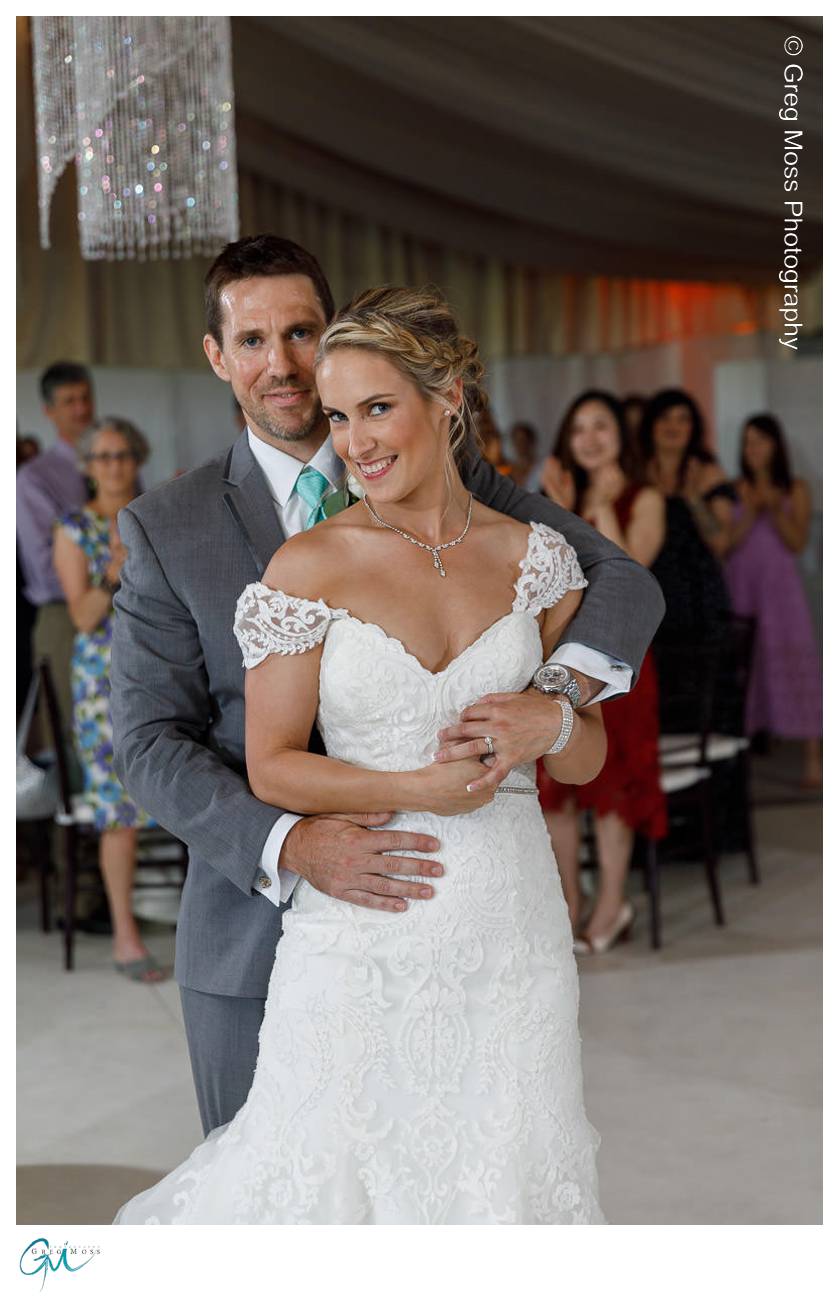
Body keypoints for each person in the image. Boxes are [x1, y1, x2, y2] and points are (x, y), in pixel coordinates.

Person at [109, 234, 663, 1153]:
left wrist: (554, 701)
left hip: (492, 923)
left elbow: (625, 584)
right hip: (261, 927)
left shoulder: (479, 493)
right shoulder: (168, 525)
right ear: (216, 356)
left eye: (300, 333)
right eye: (251, 341)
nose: (280, 365)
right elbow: (148, 742)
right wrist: (292, 843)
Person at [540, 391, 667, 952]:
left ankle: (612, 902)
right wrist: (562, 508)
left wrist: (606, 507)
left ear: (620, 435)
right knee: (554, 788)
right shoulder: (553, 497)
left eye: (602, 426)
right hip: (559, 661)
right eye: (579, 429)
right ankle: (568, 902)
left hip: (623, 662)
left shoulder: (647, 497)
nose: (590, 438)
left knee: (614, 787)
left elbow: (630, 577)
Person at [53, 418, 166, 982]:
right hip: (104, 682)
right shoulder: (75, 529)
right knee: (116, 809)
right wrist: (115, 571)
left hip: (166, 669)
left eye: (123, 454)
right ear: (88, 465)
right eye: (103, 457)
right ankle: (125, 936)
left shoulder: (157, 513)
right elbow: (82, 616)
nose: (115, 465)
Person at [725, 414, 821, 787]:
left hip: (782, 593)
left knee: (798, 662)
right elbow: (728, 544)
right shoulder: (735, 488)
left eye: (761, 441)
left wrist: (772, 506)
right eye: (748, 442)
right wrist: (751, 509)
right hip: (743, 587)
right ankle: (744, 754)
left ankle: (814, 759)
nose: (754, 449)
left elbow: (797, 543)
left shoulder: (794, 488)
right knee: (747, 668)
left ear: (776, 445)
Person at [638, 387, 736, 733]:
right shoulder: (637, 472)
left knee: (707, 695)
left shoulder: (707, 472)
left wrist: (693, 497)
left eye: (683, 419)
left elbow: (721, 541)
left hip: (699, 597)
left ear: (694, 428)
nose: (673, 427)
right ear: (651, 425)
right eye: (665, 418)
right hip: (651, 598)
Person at [17, 363, 94, 731]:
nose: (81, 409)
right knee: (69, 730)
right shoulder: (34, 478)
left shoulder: (112, 461)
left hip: (119, 610)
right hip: (63, 614)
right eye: (69, 402)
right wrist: (108, 574)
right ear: (50, 411)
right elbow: (46, 570)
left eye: (85, 398)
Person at [508, 419, 541, 490]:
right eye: (516, 441)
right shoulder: (509, 470)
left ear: (531, 441)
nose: (520, 445)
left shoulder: (542, 467)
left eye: (523, 440)